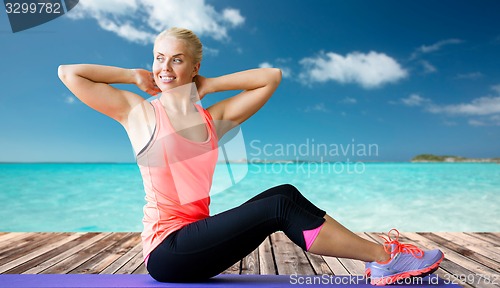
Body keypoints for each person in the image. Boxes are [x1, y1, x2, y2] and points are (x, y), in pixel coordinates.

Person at [58, 27, 443, 286]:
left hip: (194, 246)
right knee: (277, 206)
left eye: (177, 59)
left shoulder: (214, 120)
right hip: (167, 253)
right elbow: (68, 72)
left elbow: (271, 77)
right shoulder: (138, 113)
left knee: (285, 193)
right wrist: (132, 74)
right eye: (159, 58)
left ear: (194, 67)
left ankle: (381, 259)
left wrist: (207, 86)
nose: (165, 67)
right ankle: (383, 259)